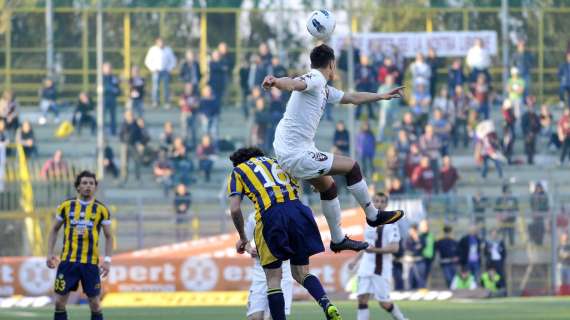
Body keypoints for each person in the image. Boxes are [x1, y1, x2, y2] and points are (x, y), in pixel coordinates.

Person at [263, 44, 405, 253]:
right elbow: (294, 83)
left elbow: (351, 97)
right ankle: (373, 215)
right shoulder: (316, 79)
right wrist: (276, 82)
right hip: (296, 152)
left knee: (328, 187)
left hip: (290, 150)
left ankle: (338, 239)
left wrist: (380, 96)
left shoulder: (324, 89)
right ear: (331, 64)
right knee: (352, 167)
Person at [228, 147, 342, 320]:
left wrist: (243, 238)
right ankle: (326, 303)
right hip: (300, 211)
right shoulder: (279, 161)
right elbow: (308, 173)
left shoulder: (239, 170)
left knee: (274, 279)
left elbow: (235, 209)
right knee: (301, 273)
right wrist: (316, 187)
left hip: (271, 216)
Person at [46, 171, 113, 320]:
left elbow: (109, 236)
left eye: (91, 183)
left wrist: (108, 260)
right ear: (78, 187)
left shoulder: (101, 210)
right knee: (59, 303)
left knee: (95, 303)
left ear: (95, 187)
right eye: (84, 183)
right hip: (68, 262)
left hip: (90, 264)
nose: (88, 186)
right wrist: (49, 253)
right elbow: (54, 230)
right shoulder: (66, 206)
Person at [348, 193, 408, 320]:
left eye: (382, 201)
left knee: (384, 303)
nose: (379, 204)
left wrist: (374, 250)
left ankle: (402, 319)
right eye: (376, 201)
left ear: (386, 204)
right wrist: (354, 261)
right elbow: (367, 246)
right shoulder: (368, 222)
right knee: (362, 298)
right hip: (365, 267)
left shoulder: (392, 224)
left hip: (380, 269)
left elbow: (394, 248)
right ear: (372, 203)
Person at [244, 210, 294, 320]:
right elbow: (244, 240)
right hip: (261, 271)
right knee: (255, 317)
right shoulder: (253, 217)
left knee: (276, 316)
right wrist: (249, 249)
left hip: (283, 270)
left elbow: (296, 241)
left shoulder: (287, 212)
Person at [145, 37, 177, 108]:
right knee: (155, 87)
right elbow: (147, 61)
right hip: (156, 71)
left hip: (165, 71)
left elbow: (173, 60)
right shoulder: (152, 50)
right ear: (156, 43)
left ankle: (166, 102)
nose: (161, 43)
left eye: (162, 42)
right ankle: (155, 102)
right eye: (159, 42)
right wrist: (153, 68)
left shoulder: (168, 50)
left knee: (166, 87)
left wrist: (169, 68)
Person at [521, 96, 541, 165]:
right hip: (527, 134)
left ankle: (531, 160)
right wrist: (527, 132)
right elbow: (523, 125)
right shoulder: (525, 115)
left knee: (532, 147)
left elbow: (538, 125)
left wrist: (535, 132)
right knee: (528, 147)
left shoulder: (535, 116)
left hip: (533, 133)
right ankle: (529, 160)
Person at [405, 224, 426, 289]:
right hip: (410, 262)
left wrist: (417, 241)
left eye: (412, 230)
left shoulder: (421, 238)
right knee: (410, 279)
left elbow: (423, 246)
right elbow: (408, 249)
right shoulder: (408, 239)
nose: (410, 232)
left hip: (419, 261)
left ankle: (421, 292)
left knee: (420, 279)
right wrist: (416, 248)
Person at [102, 63, 120, 136]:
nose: (109, 70)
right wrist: (109, 89)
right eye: (107, 68)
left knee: (113, 117)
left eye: (110, 68)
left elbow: (118, 90)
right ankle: (102, 131)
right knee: (102, 116)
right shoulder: (101, 78)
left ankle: (113, 131)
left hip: (112, 99)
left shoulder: (114, 78)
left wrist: (113, 90)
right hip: (104, 99)